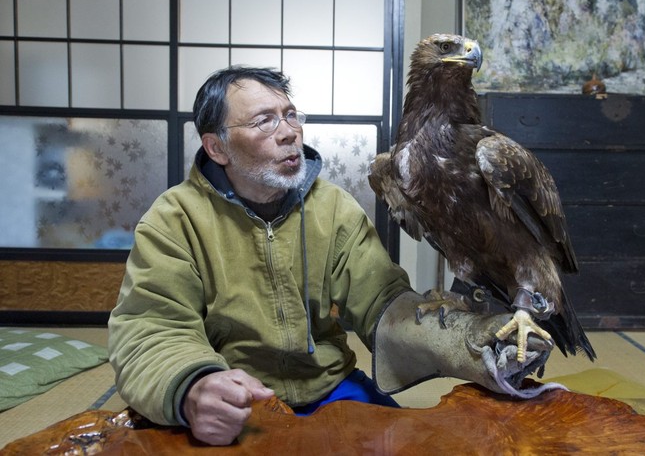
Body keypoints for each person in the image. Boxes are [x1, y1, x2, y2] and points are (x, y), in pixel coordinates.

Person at [108, 66, 549, 447]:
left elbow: (384, 304)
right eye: (264, 121)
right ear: (216, 147)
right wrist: (193, 386)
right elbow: (151, 329)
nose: (289, 132)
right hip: (237, 398)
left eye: (290, 115)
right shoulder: (173, 220)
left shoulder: (332, 206)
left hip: (330, 386)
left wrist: (471, 341)